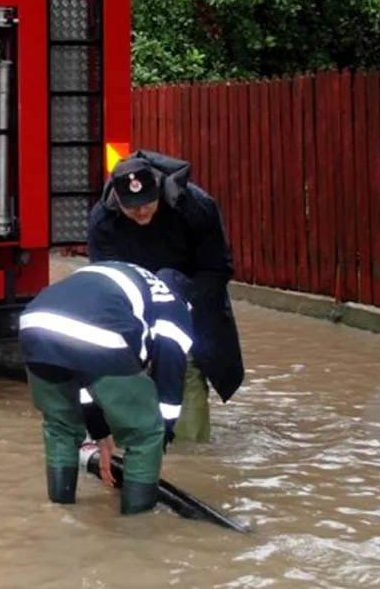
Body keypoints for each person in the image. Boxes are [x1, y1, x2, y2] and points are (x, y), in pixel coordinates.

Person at [86, 150, 245, 443]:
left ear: (158, 187)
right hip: (135, 310)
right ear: (117, 200)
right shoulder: (103, 221)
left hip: (190, 304)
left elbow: (218, 268)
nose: (141, 211)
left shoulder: (196, 207)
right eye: (132, 207)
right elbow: (105, 281)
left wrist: (178, 302)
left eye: (147, 203)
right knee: (127, 380)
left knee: (187, 378)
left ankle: (188, 451)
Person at [20, 259, 195, 515]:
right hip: (97, 332)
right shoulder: (174, 305)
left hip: (34, 326)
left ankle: (58, 513)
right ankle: (137, 529)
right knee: (144, 433)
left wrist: (100, 433)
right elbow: (169, 383)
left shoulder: (119, 274)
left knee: (61, 427)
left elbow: (83, 382)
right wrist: (160, 437)